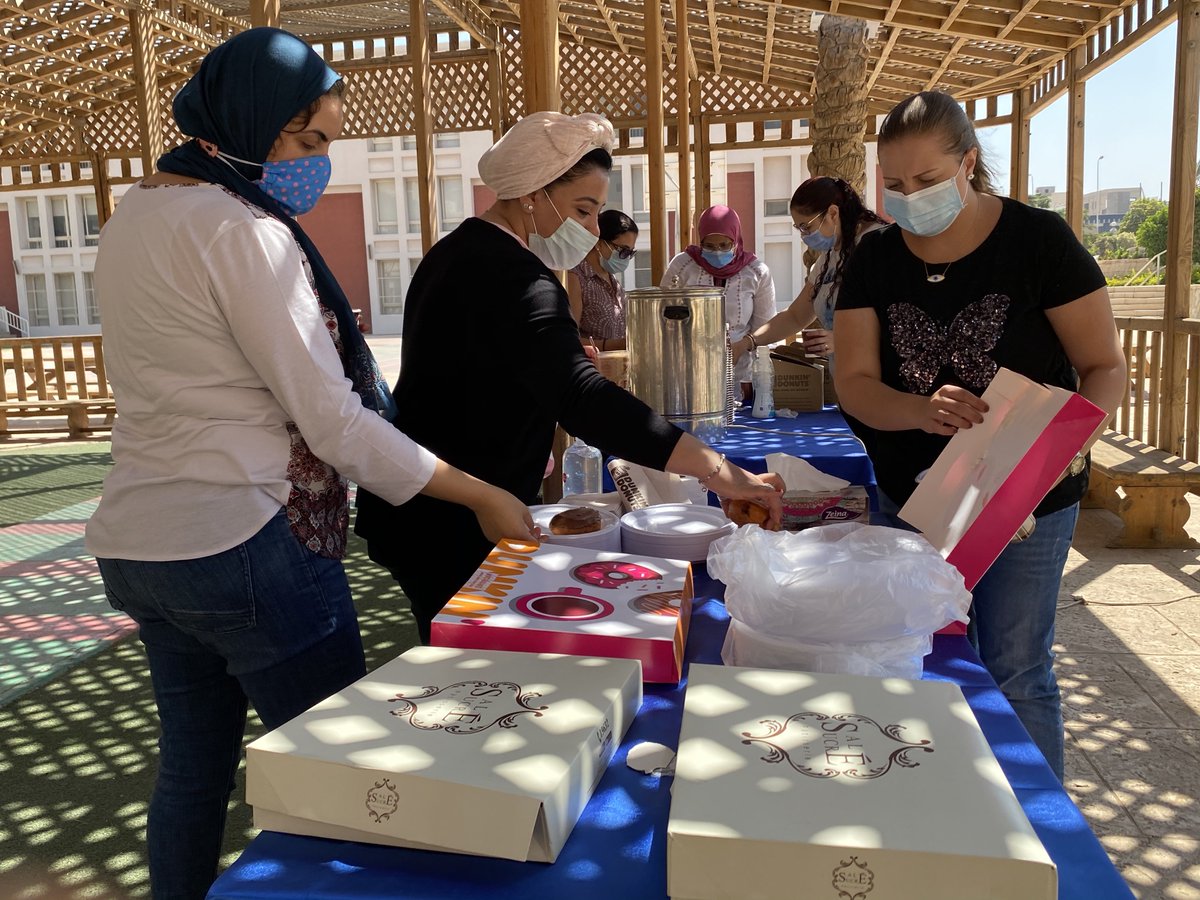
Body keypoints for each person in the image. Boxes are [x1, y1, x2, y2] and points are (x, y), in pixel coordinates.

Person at [83, 28, 535, 900]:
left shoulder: (137, 211)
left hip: (141, 541)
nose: (319, 165)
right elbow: (330, 419)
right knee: (343, 783)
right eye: (308, 140)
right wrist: (479, 493)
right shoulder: (242, 231)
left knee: (192, 769)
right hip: (245, 536)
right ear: (251, 121)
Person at [354, 112, 784, 641]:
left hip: (430, 505)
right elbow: (582, 397)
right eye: (582, 209)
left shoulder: (454, 251)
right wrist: (719, 471)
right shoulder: (517, 277)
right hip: (450, 518)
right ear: (533, 193)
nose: (589, 229)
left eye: (597, 212)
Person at [833, 90, 1128, 781]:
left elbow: (1103, 367)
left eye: (928, 181)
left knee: (1016, 664)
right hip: (914, 500)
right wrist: (916, 410)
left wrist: (1059, 454)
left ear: (969, 162)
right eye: (896, 185)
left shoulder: (1038, 243)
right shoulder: (874, 259)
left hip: (1027, 500)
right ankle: (928, 803)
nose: (910, 199)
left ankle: (1035, 828)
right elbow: (854, 381)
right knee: (911, 656)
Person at [731, 177, 885, 366]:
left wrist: (843, 339)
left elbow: (898, 319)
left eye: (806, 227)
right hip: (849, 384)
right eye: (799, 228)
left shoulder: (877, 246)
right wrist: (747, 342)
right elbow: (796, 316)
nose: (804, 235)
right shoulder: (830, 256)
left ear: (833, 213)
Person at [661, 205, 776, 400]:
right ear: (701, 240)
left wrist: (759, 383)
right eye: (709, 246)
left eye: (724, 245)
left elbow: (765, 330)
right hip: (689, 374)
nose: (717, 252)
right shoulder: (682, 266)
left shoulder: (756, 273)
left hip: (740, 377)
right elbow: (663, 314)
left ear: (736, 240)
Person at [567, 208, 638, 351]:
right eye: (623, 250)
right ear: (599, 243)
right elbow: (568, 338)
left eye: (630, 253)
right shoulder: (576, 277)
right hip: (591, 368)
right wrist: (613, 345)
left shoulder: (613, 282)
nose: (626, 258)